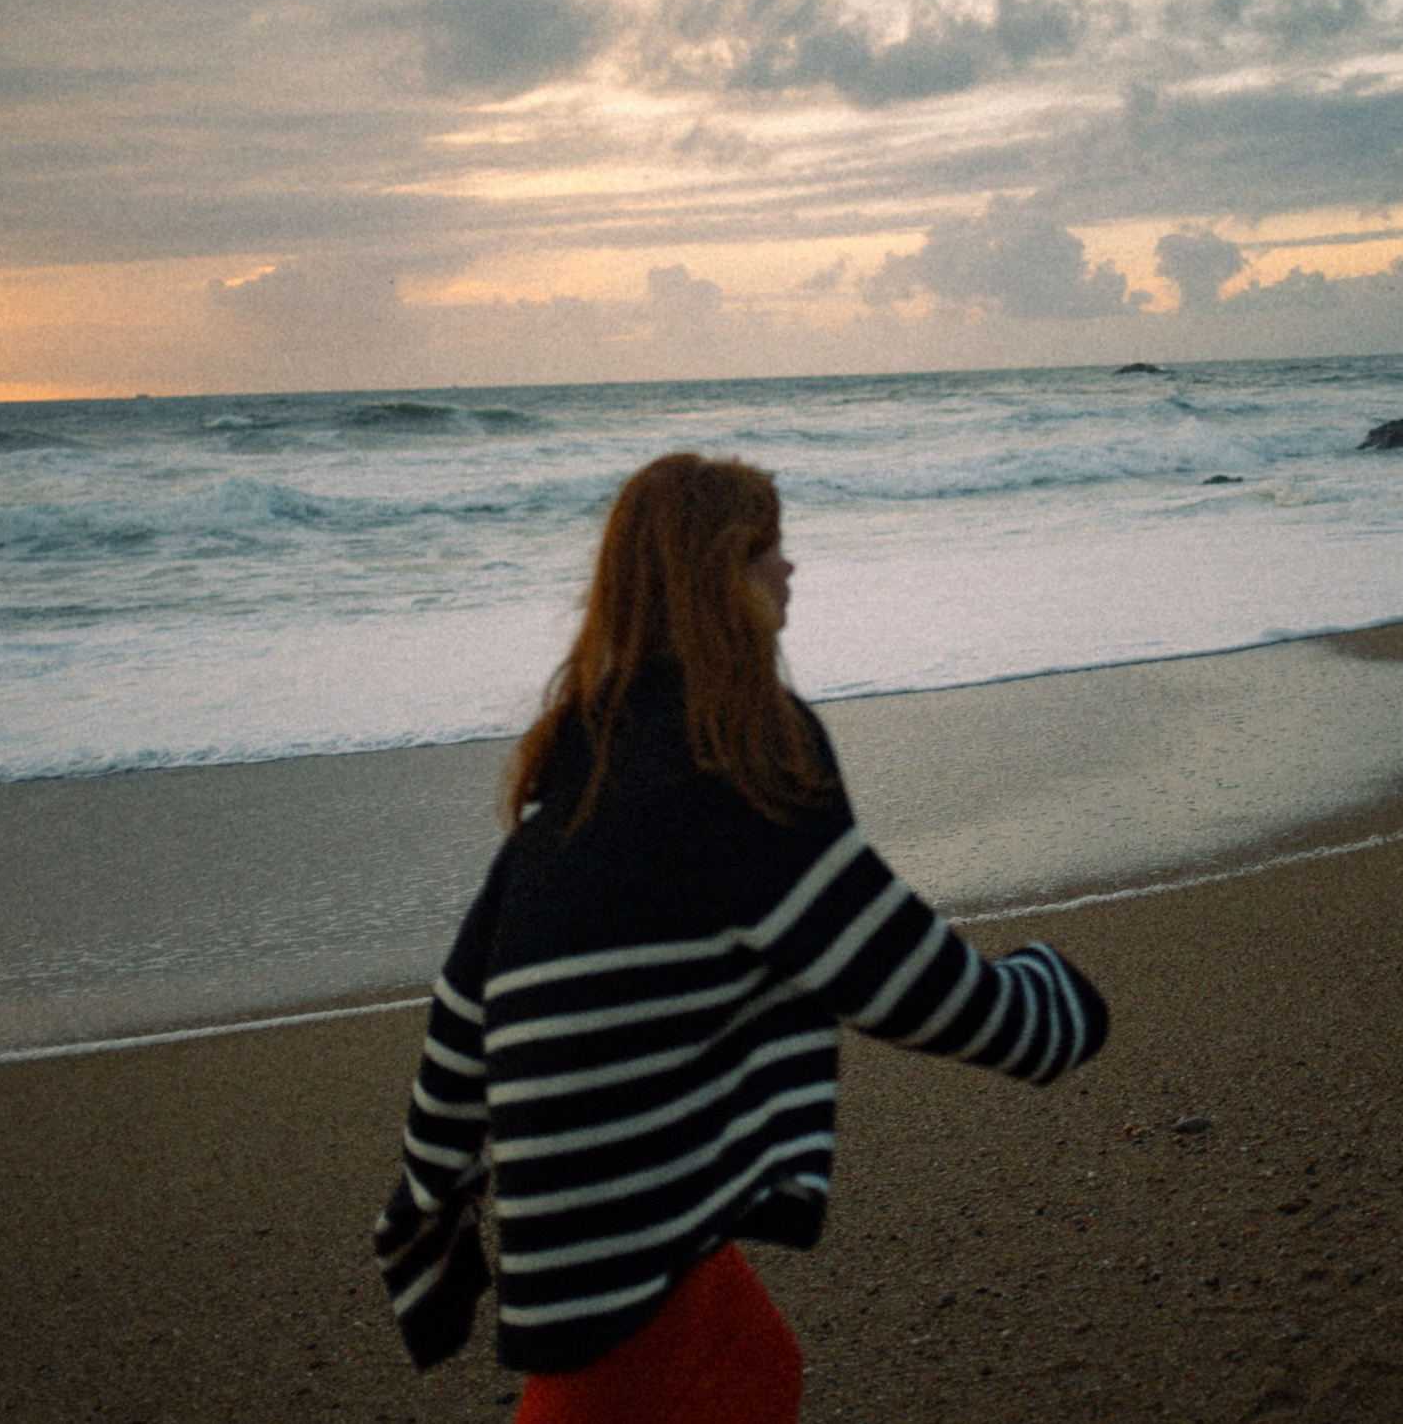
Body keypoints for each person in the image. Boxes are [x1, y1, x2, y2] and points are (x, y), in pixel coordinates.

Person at [374, 452, 1109, 1423]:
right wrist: (1048, 1008)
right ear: (722, 577)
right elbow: (884, 965)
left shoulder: (574, 776)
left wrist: (422, 1201)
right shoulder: (738, 756)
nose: (789, 572)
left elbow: (463, 1015)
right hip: (623, 1214)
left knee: (753, 1366)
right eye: (769, 551)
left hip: (589, 1202)